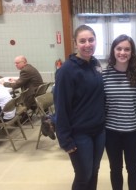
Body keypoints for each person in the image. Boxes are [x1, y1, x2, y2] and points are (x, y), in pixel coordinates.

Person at [53, 25, 105, 190]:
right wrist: (65, 139)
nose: (87, 44)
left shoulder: (95, 64)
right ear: (75, 43)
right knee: (83, 176)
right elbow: (61, 107)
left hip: (98, 131)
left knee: (94, 171)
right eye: (82, 41)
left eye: (91, 40)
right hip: (79, 133)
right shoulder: (66, 71)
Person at [102, 34, 136, 190]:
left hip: (133, 132)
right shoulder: (105, 75)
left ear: (132, 52)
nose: (122, 52)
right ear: (113, 51)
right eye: (119, 48)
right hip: (111, 132)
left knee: (133, 168)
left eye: (127, 49)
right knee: (115, 168)